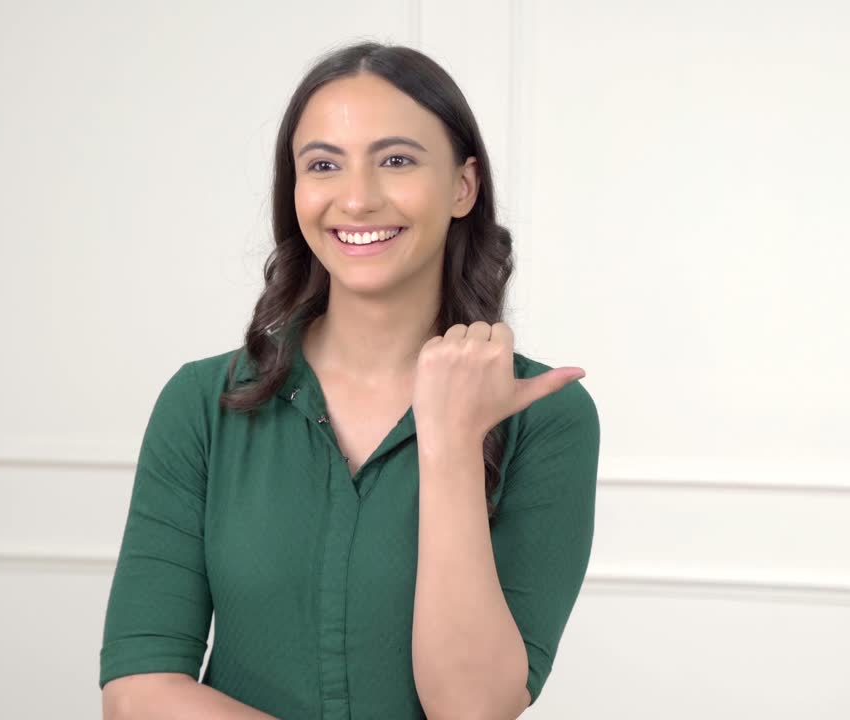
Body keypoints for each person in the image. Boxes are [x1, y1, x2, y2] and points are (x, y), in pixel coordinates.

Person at [98, 41, 600, 720]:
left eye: (396, 160)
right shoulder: (201, 403)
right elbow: (138, 692)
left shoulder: (545, 416)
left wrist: (452, 445)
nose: (357, 199)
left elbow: (476, 708)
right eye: (325, 165)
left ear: (463, 186)